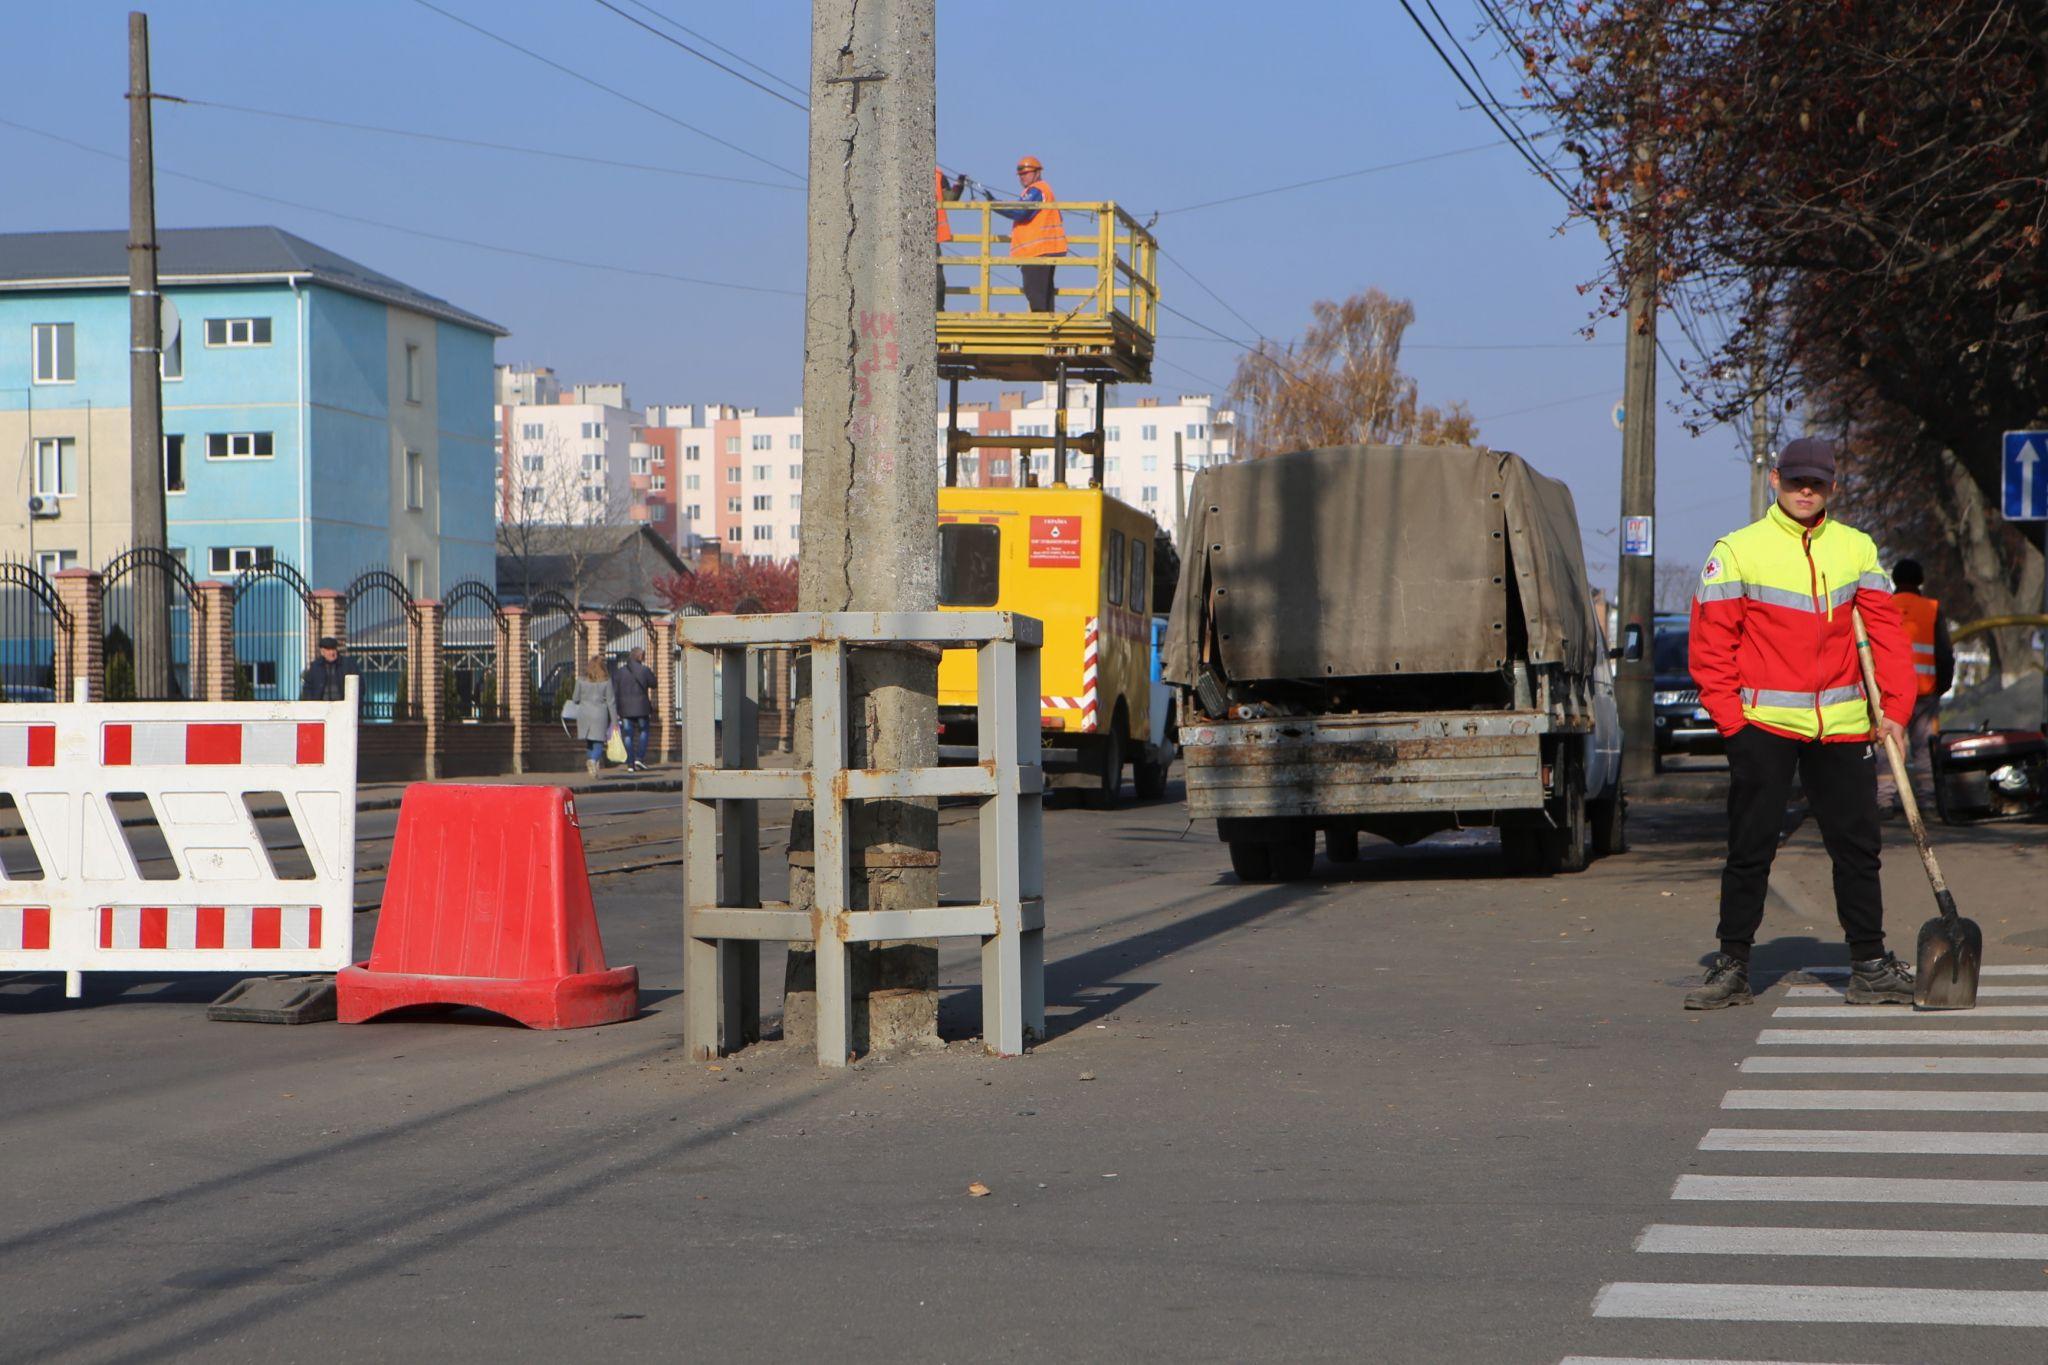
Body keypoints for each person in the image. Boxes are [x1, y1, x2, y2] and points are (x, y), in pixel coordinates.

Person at [1683, 437, 1919, 1010]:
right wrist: (1732, 724)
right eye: (1795, 481)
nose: (1805, 491)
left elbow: (1886, 636)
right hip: (1761, 726)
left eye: (1816, 483)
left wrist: (1895, 713)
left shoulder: (1856, 548)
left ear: (1833, 486)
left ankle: (1869, 965)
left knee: (1857, 849)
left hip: (1842, 727)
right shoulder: (1737, 550)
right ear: (1775, 480)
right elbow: (1711, 646)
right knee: (1751, 847)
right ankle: (1733, 966)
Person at [1889, 557, 1953, 795]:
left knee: (1888, 748)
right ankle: (1928, 799)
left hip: (1889, 693)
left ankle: (1884, 800)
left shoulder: (1882, 608)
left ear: (1894, 579)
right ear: (1920, 580)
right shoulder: (1931, 609)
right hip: (1924, 692)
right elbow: (1944, 654)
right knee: (1925, 750)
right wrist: (1941, 687)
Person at [998, 155, 1066, 313]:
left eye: (1026, 173)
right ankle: (1047, 321)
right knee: (1043, 293)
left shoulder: (1038, 189)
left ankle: (1041, 322)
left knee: (1035, 293)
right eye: (1020, 175)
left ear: (1037, 172)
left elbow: (1020, 212)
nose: (1022, 177)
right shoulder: (1038, 190)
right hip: (1043, 250)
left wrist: (995, 206)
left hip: (1038, 252)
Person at [570, 656, 618, 779]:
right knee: (599, 742)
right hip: (599, 715)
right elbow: (611, 702)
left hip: (584, 715)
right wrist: (614, 722)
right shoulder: (606, 682)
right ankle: (593, 761)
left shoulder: (581, 680)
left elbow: (575, 699)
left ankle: (593, 767)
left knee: (590, 742)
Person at [611, 646, 657, 772]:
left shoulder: (620, 672)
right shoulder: (644, 670)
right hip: (642, 708)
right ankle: (639, 758)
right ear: (640, 656)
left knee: (627, 735)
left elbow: (614, 692)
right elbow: (654, 684)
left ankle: (630, 764)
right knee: (644, 731)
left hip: (625, 709)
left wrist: (616, 710)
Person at [298, 636, 359, 703]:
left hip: (342, 706)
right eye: (328, 650)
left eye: (333, 649)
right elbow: (307, 688)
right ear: (322, 652)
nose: (332, 653)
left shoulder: (347, 665)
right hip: (321, 706)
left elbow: (359, 686)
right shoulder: (315, 667)